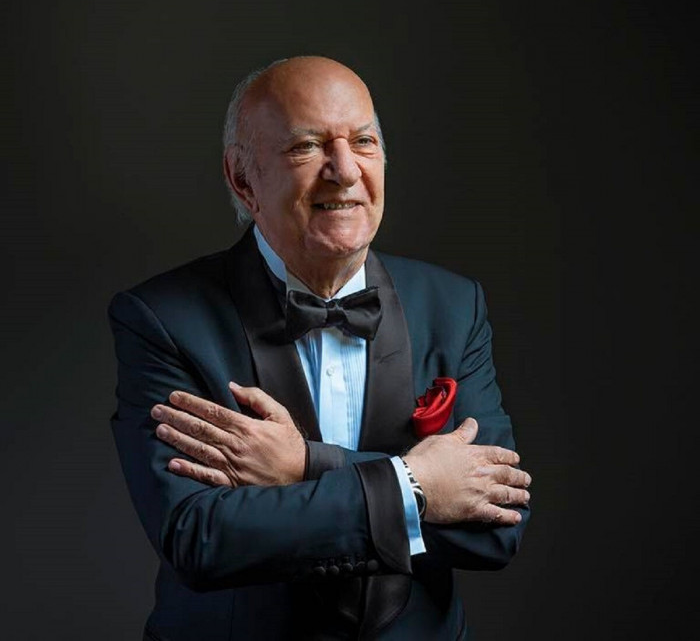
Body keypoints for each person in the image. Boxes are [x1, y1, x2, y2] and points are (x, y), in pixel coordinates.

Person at [109, 55, 531, 641]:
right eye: (307, 146)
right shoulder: (163, 319)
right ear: (243, 179)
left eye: (363, 142)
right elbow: (200, 537)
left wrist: (306, 467)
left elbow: (498, 526)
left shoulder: (455, 304)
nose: (345, 170)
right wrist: (420, 486)